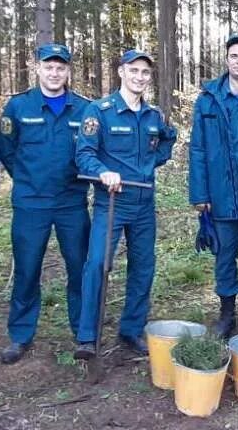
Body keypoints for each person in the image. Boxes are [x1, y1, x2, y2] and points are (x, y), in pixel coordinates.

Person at [73, 50, 177, 359]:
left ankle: (131, 330)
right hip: (112, 203)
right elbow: (84, 154)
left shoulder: (153, 115)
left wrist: (148, 164)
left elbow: (167, 141)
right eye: (134, 71)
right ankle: (87, 337)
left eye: (145, 72)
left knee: (143, 268)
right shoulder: (99, 111)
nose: (140, 77)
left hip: (144, 204)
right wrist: (103, 172)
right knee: (97, 265)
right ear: (121, 72)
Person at [0, 44, 92, 364]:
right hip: (31, 203)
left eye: (60, 67)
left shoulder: (84, 109)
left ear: (68, 71)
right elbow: (6, 151)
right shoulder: (18, 107)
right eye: (48, 67)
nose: (54, 73)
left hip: (71, 202)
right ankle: (20, 335)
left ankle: (83, 333)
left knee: (79, 267)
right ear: (37, 67)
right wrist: (28, 180)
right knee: (27, 268)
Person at [188, 34, 238, 336]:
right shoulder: (209, 98)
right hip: (220, 194)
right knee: (224, 254)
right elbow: (197, 149)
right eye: (234, 56)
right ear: (226, 59)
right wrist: (200, 194)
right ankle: (226, 312)